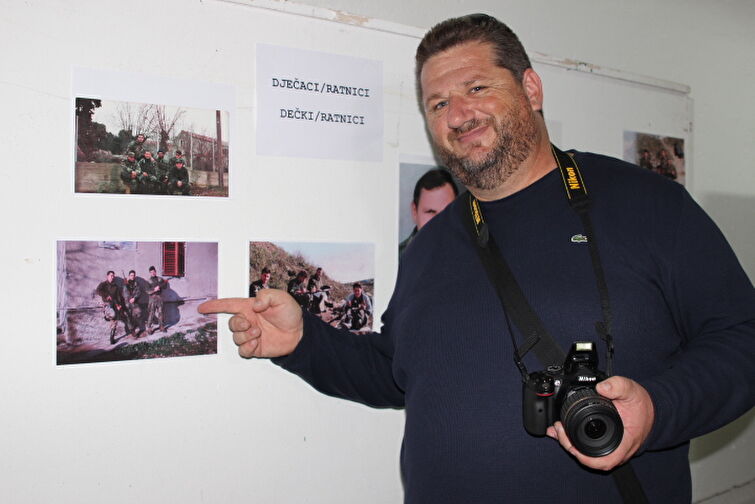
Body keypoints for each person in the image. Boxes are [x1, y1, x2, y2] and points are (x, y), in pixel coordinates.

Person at [199, 14, 755, 503]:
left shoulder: (644, 203)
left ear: (531, 88)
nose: (458, 113)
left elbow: (743, 339)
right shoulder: (432, 246)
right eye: (438, 103)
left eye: (477, 86)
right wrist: (304, 343)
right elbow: (393, 373)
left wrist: (657, 408)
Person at [399, 168, 458, 255]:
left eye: (446, 212)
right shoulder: (396, 259)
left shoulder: (471, 257)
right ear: (415, 211)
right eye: (430, 212)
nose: (439, 221)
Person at [95, 270, 133, 344]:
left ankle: (112, 338)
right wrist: (106, 295)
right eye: (111, 275)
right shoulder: (103, 284)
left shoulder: (116, 286)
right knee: (112, 316)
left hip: (115, 304)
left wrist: (119, 305)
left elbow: (118, 297)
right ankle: (107, 316)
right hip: (107, 304)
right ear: (107, 276)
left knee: (115, 320)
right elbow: (98, 291)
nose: (112, 277)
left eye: (113, 276)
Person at [145, 266, 167, 334]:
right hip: (152, 298)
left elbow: (165, 286)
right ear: (150, 273)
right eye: (151, 272)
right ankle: (149, 328)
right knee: (151, 313)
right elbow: (147, 291)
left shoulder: (160, 279)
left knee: (161, 313)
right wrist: (154, 290)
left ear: (155, 271)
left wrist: (160, 286)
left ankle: (161, 326)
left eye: (154, 271)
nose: (153, 273)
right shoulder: (148, 281)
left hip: (159, 298)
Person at [123, 270, 143, 336]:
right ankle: (132, 330)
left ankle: (135, 326)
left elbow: (139, 292)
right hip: (127, 303)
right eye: (131, 275)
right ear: (129, 276)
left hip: (135, 302)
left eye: (133, 275)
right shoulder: (125, 283)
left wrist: (134, 298)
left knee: (139, 313)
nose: (132, 276)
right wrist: (129, 298)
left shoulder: (137, 284)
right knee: (128, 316)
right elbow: (124, 293)